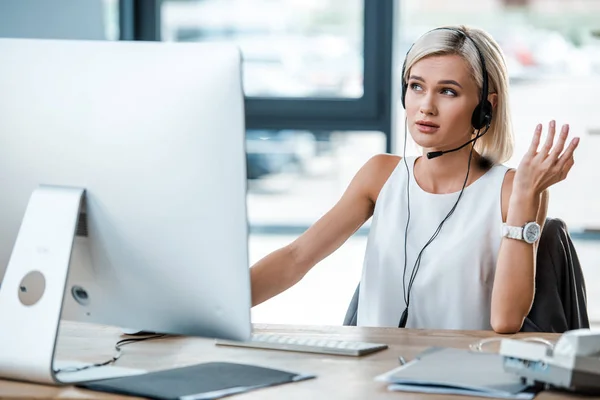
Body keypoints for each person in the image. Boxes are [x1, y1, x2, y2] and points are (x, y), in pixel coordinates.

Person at [249, 25, 580, 334]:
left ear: (485, 107)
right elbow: (296, 258)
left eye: (448, 92)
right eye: (416, 86)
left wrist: (525, 195)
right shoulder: (380, 175)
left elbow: (506, 320)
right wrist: (218, 308)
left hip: (461, 384)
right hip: (372, 380)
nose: (426, 106)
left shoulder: (511, 191)